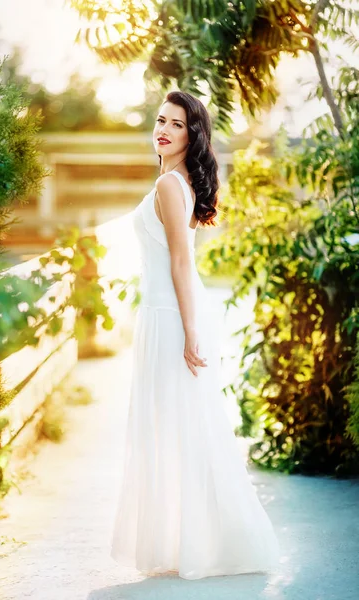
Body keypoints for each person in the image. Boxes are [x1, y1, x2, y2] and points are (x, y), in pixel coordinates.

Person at [110, 90, 280, 580]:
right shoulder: (174, 180)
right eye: (160, 120)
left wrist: (188, 332)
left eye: (177, 124)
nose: (162, 129)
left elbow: (182, 264)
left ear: (193, 134)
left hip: (170, 316)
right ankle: (189, 542)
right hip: (165, 313)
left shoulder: (169, 186)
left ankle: (209, 544)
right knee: (180, 427)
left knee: (183, 429)